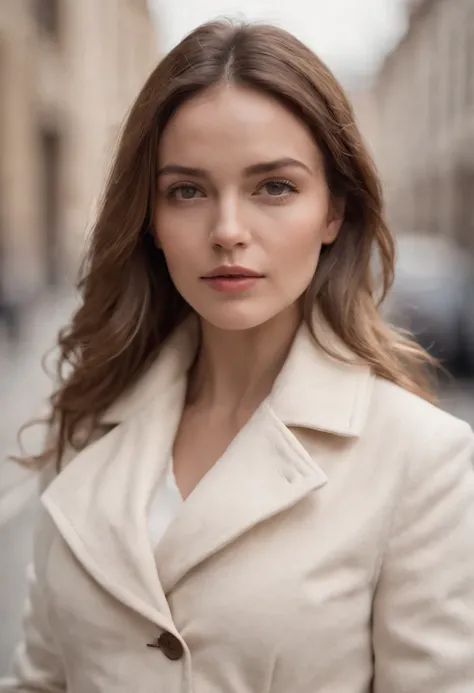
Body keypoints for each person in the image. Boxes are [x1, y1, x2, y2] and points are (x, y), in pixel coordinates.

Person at [2, 19, 474, 693]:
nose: (227, 231)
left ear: (334, 211)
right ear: (151, 220)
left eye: (273, 187)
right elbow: (42, 677)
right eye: (187, 190)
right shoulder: (89, 414)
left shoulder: (419, 457)